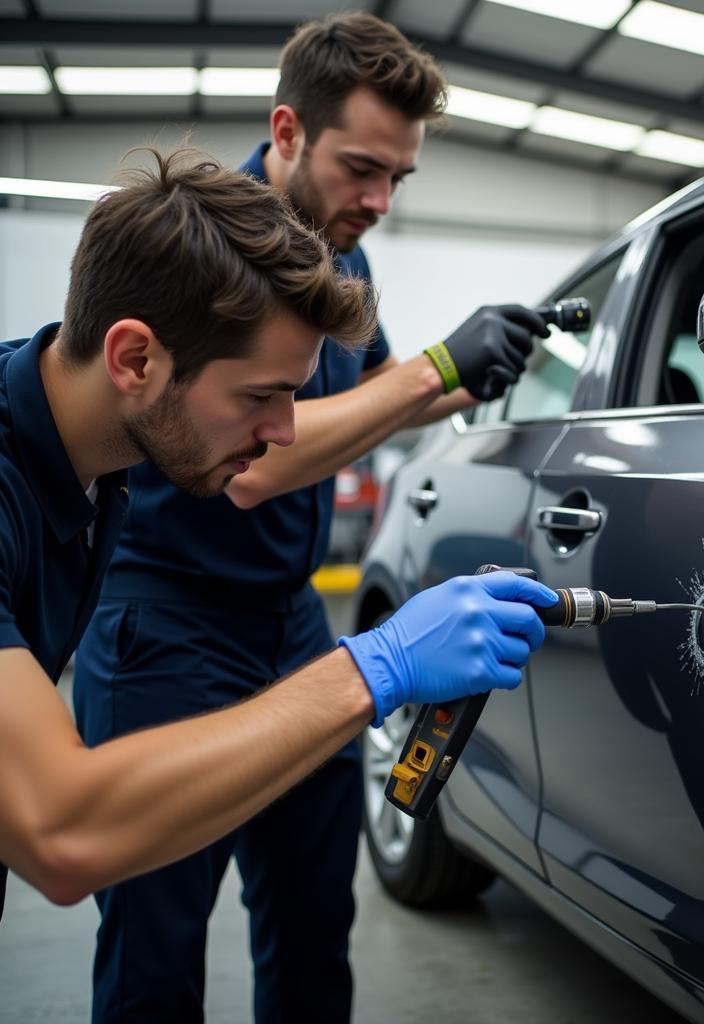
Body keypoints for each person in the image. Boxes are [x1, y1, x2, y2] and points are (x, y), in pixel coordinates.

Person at [72, 12, 549, 1024]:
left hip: (288, 622)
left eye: (397, 180)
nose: (376, 200)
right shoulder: (207, 249)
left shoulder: (348, 260)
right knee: (156, 945)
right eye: (360, 167)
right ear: (287, 132)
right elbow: (249, 469)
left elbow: (366, 403)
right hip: (168, 625)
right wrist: (435, 369)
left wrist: (477, 373)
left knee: (312, 926)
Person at [0, 149, 554, 942]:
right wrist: (378, 665)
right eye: (262, 396)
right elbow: (61, 831)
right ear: (135, 359)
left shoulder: (98, 450)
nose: (288, 433)